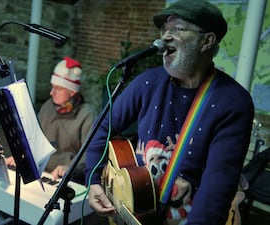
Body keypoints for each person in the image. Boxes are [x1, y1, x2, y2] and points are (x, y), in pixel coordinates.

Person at [84, 1, 254, 225]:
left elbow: (218, 186)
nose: (165, 37)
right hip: (138, 208)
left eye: (178, 29)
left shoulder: (232, 102)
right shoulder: (148, 82)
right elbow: (103, 127)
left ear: (207, 40)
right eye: (164, 29)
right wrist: (93, 180)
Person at [6, 56, 97, 183]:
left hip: (64, 178)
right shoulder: (48, 106)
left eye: (58, 89)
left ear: (72, 92)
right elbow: (34, 138)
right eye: (52, 87)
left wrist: (69, 168)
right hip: (40, 172)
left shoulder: (87, 114)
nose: (51, 92)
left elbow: (90, 154)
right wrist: (22, 157)